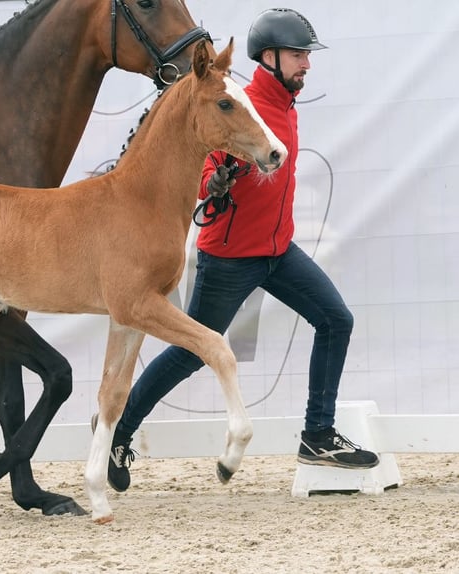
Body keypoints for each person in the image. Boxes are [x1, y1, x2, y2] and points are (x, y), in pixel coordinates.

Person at [99, 7, 380, 492]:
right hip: (229, 258)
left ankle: (318, 434)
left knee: (336, 320)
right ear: (268, 58)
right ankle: (117, 436)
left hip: (277, 252)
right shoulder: (236, 107)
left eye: (306, 57)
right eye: (297, 56)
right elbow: (207, 175)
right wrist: (218, 182)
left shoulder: (286, 109)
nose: (306, 65)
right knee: (190, 353)